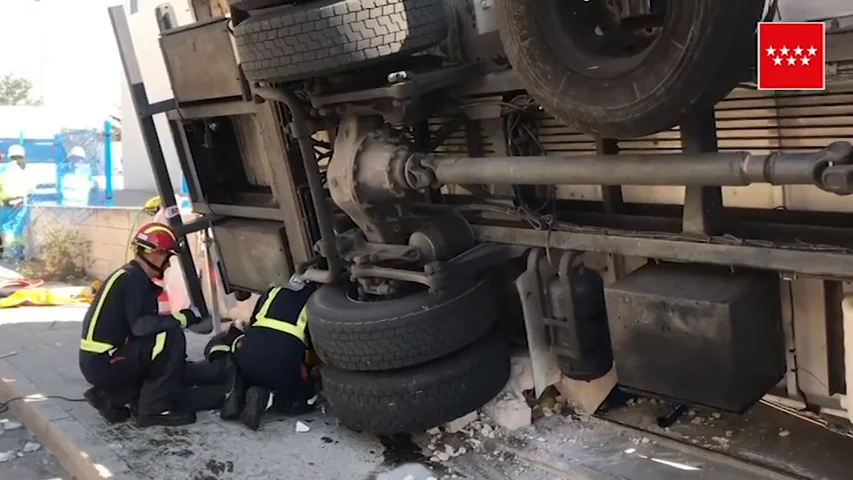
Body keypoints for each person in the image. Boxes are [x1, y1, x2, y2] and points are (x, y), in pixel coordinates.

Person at [79, 222, 226, 427]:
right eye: (168, 257)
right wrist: (183, 318)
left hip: (104, 361)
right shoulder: (132, 280)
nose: (167, 264)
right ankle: (153, 410)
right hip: (105, 362)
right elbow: (141, 326)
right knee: (170, 336)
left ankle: (111, 398)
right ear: (156, 254)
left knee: (167, 352)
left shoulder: (130, 276)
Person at [204, 277, 318, 430]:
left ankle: (238, 391)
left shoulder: (273, 291)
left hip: (249, 357)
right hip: (281, 363)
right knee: (307, 399)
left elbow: (252, 322)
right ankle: (269, 399)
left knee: (248, 361)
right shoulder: (318, 301)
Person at [0, 144, 32, 262]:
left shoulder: (3, 169)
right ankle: (18, 254)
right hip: (21, 203)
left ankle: (11, 254)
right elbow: (31, 187)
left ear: (10, 155)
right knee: (17, 229)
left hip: (6, 203)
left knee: (6, 228)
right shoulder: (25, 168)